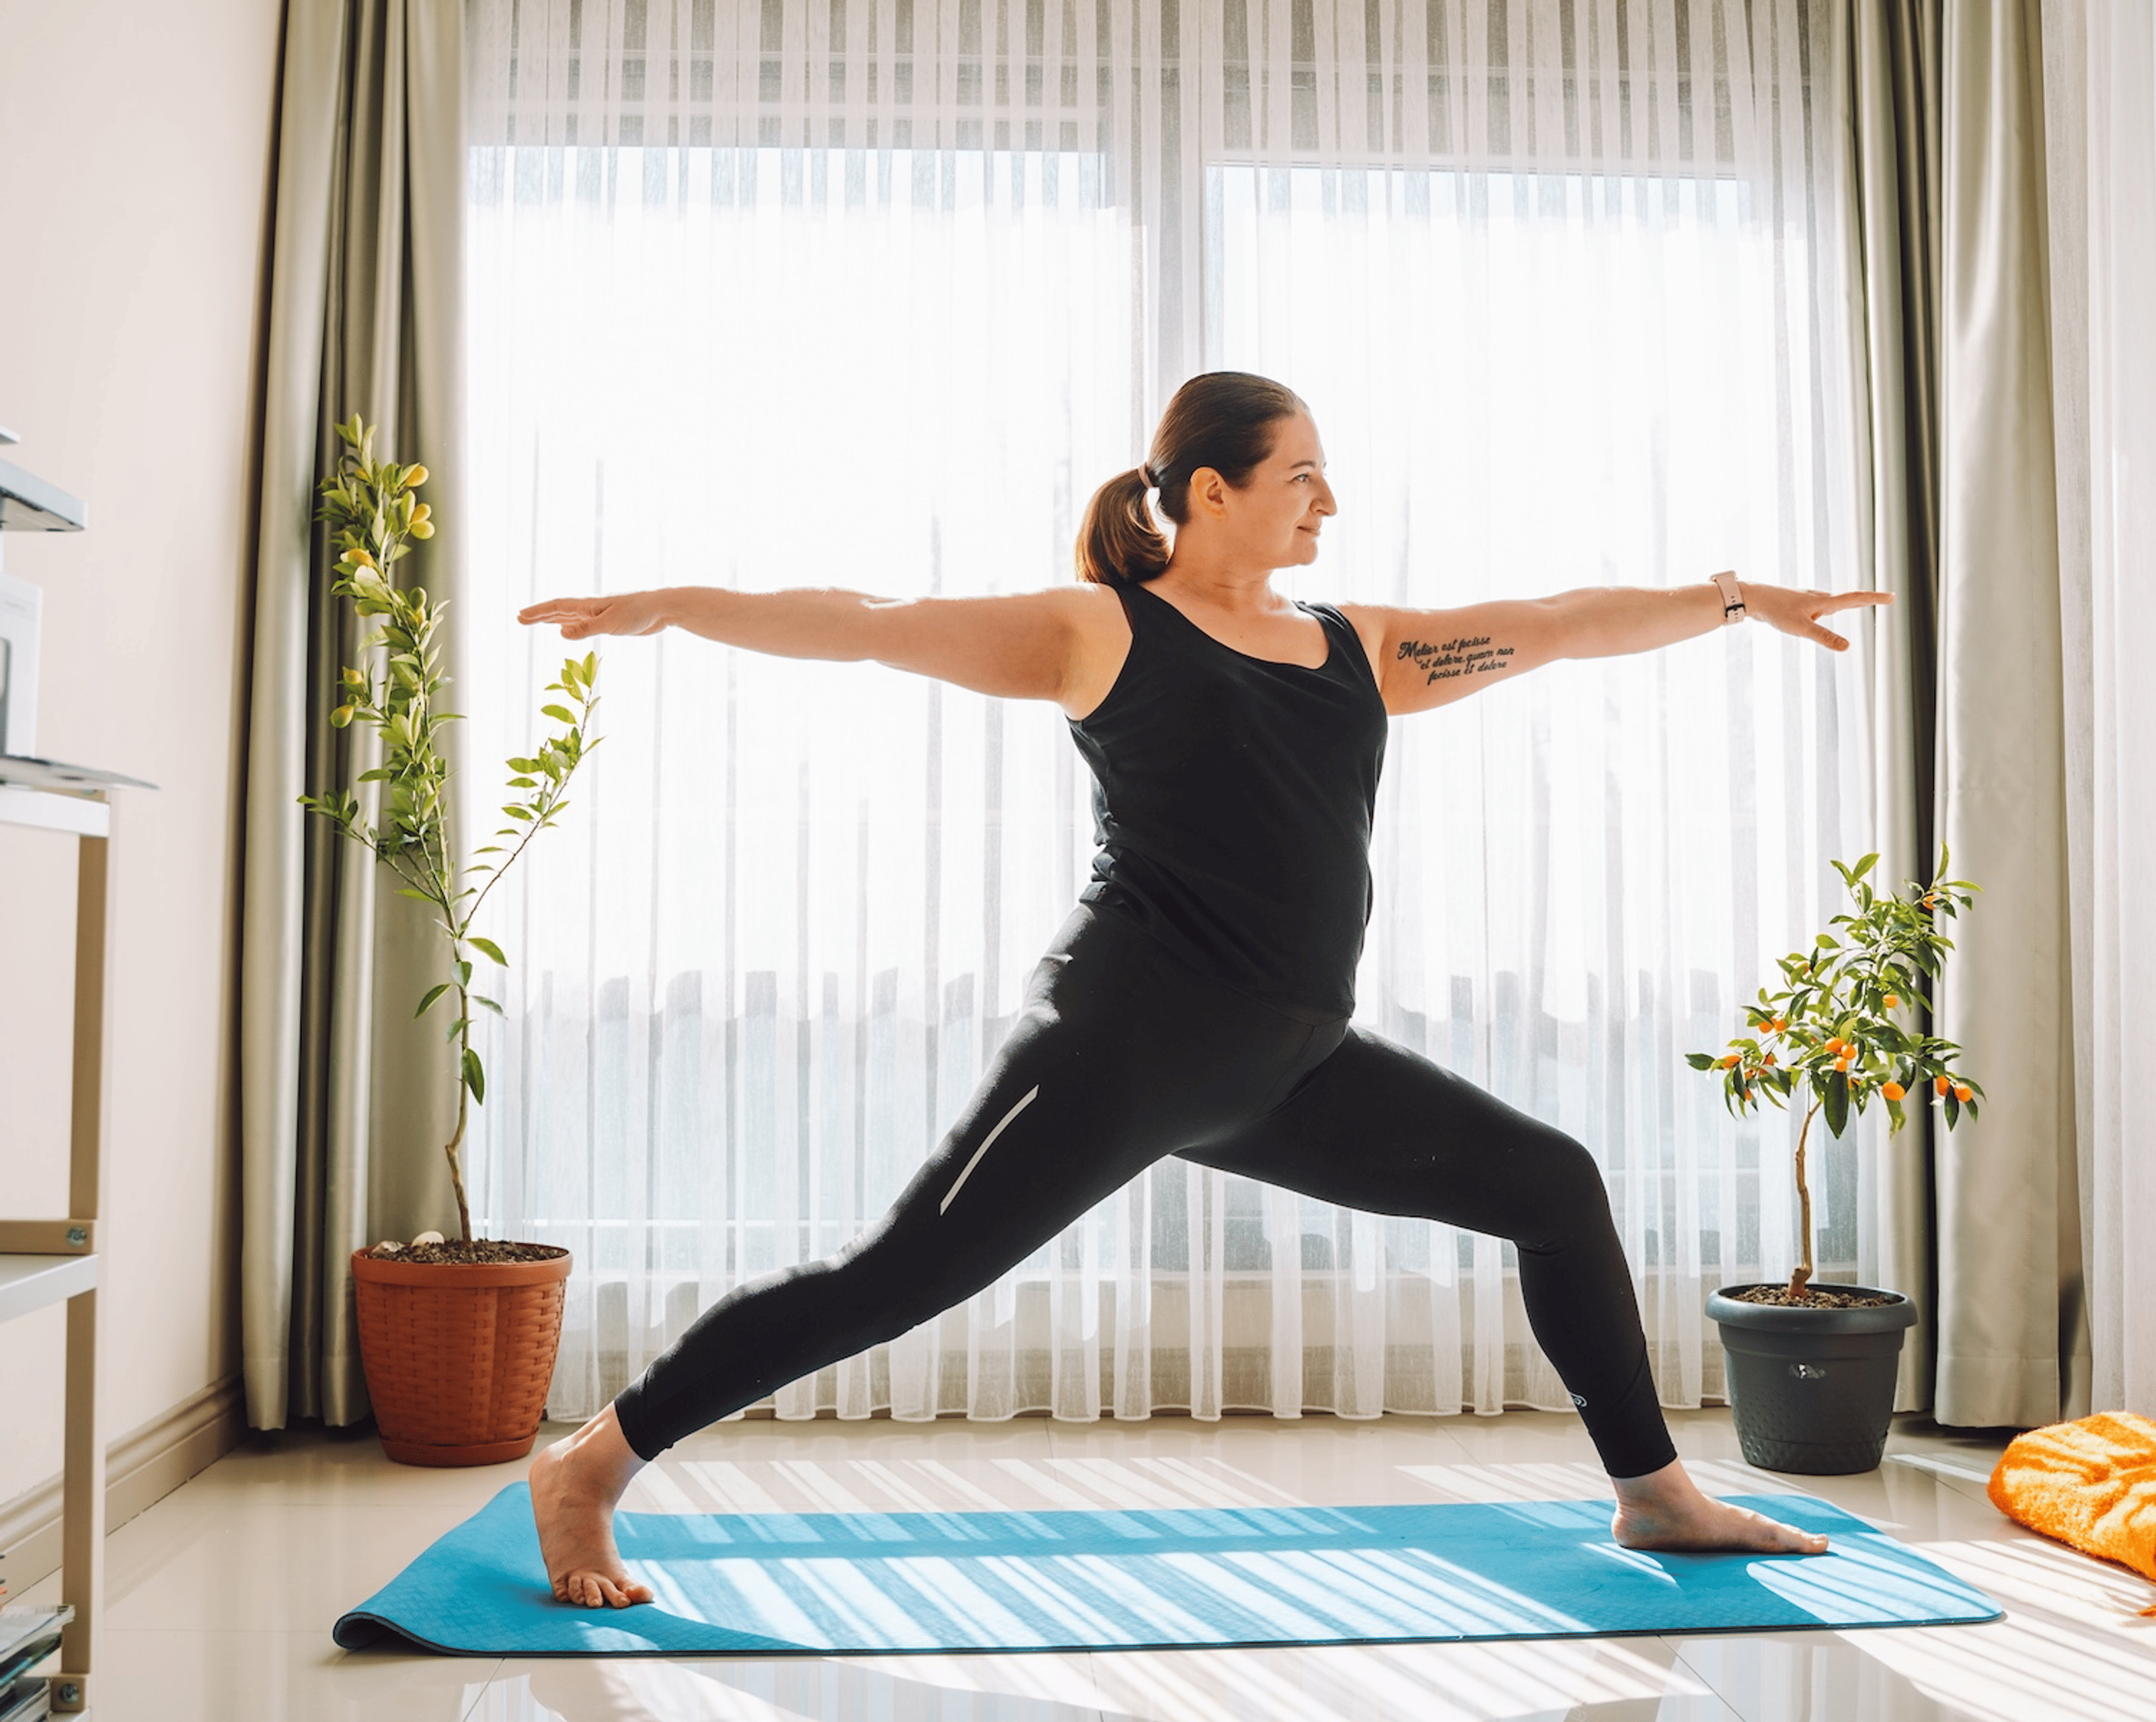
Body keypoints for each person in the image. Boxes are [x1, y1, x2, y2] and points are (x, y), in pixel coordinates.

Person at [517, 371, 1890, 1608]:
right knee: (894, 1278)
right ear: (1209, 491)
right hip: (1121, 1045)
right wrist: (675, 606)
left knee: (1552, 1181)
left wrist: (1733, 599)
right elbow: (876, 623)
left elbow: (1557, 625)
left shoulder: (1361, 647)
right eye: (1302, 474)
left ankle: (1655, 1494)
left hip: (1289, 1060)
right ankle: (590, 1462)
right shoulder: (1102, 631)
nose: (1329, 501)